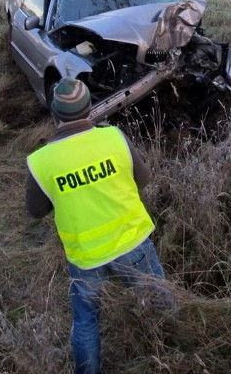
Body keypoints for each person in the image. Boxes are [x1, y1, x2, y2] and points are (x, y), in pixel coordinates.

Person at [25, 77, 171, 374]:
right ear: (90, 108)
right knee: (160, 303)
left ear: (54, 114)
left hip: (86, 256)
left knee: (86, 321)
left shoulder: (41, 161)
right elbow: (143, 179)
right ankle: (172, 353)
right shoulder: (114, 137)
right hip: (133, 242)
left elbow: (36, 211)